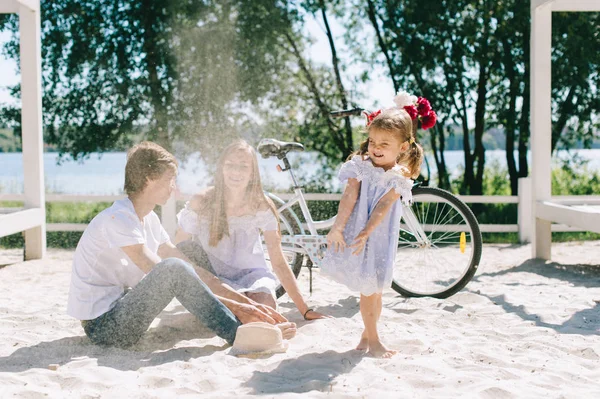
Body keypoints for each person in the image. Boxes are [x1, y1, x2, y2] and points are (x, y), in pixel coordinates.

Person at [67, 141, 295, 349]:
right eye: (169, 180)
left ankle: (247, 323)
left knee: (189, 254)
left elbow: (192, 271)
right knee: (173, 269)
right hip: (105, 327)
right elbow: (169, 273)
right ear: (149, 179)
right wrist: (242, 309)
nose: (173, 188)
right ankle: (238, 333)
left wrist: (249, 305)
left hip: (123, 306)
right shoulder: (119, 219)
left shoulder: (149, 220)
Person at [320, 92, 434, 358]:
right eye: (372, 141)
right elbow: (349, 197)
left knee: (376, 290)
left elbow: (383, 207)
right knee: (368, 290)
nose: (375, 148)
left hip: (377, 236)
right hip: (358, 236)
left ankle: (366, 335)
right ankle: (373, 340)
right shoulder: (360, 166)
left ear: (403, 148)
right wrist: (338, 227)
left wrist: (369, 231)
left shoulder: (399, 177)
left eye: (384, 143)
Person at [175, 139, 329, 321]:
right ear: (221, 168)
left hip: (253, 275)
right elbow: (177, 248)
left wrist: (304, 309)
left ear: (253, 172)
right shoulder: (202, 200)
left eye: (243, 166)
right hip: (215, 278)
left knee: (264, 310)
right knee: (239, 314)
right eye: (230, 165)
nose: (236, 172)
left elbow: (278, 261)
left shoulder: (261, 205)